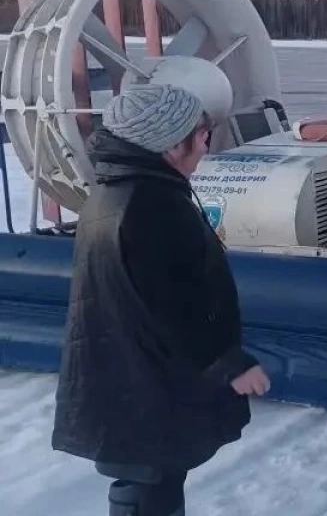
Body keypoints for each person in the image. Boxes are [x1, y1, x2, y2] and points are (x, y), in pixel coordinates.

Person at [51, 83, 270, 516]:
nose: (207, 145)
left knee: (145, 474)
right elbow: (170, 302)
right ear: (170, 143)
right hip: (149, 379)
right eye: (202, 135)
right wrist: (229, 362)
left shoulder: (114, 191)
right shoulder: (152, 205)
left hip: (130, 376)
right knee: (150, 481)